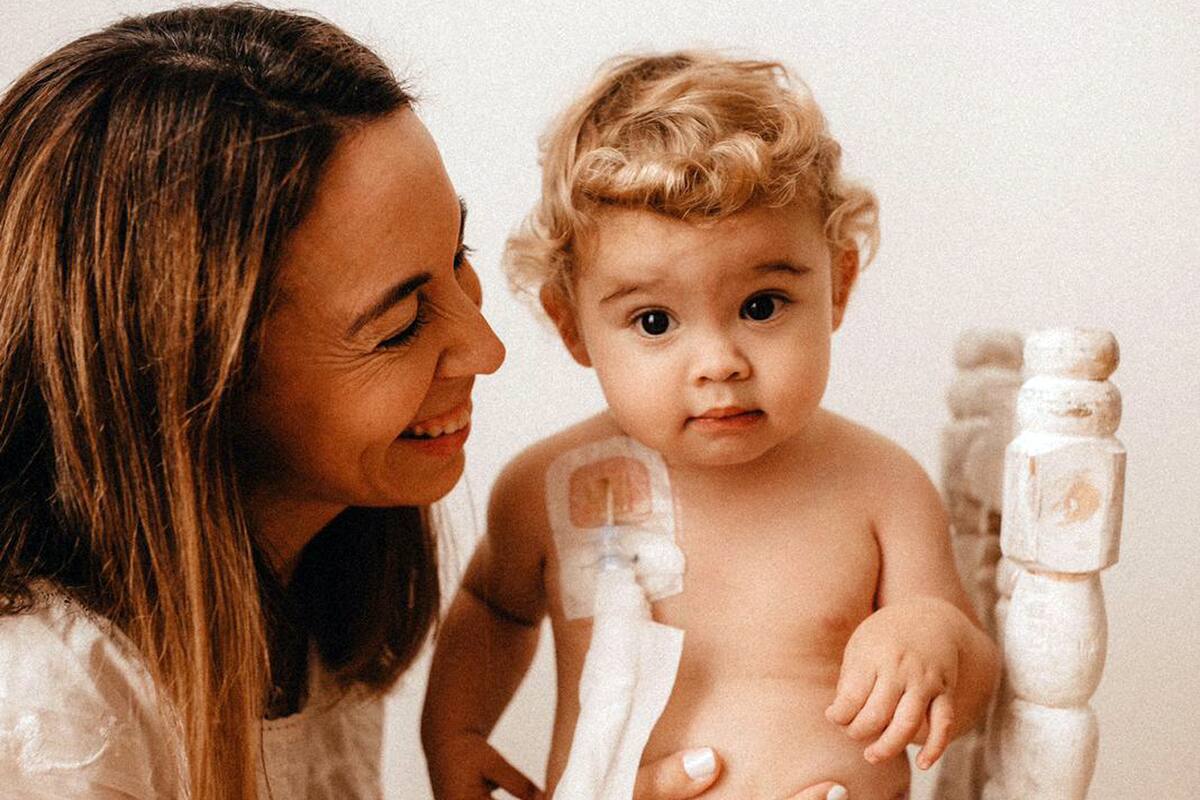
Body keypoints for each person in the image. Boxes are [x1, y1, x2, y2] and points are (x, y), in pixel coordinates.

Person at [0, 7, 744, 800]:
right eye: (398, 326)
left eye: (457, 256)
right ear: (195, 383)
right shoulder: (42, 725)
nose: (486, 350)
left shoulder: (314, 617)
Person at [421, 52, 1001, 800]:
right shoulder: (548, 489)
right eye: (655, 321)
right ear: (571, 326)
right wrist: (455, 733)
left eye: (761, 306)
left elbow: (979, 674)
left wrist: (933, 637)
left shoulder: (879, 484)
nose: (719, 363)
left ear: (839, 284)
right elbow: (493, 609)